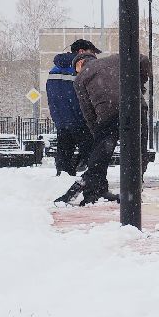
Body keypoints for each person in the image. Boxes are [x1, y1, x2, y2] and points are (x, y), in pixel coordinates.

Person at [67, 53, 152, 205]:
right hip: (135, 106)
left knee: (101, 155)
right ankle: (133, 188)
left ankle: (95, 189)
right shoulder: (117, 58)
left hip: (108, 112)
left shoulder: (80, 78)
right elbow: (144, 59)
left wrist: (97, 134)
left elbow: (87, 110)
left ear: (80, 63)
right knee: (138, 150)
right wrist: (138, 84)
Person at [49, 39, 100, 199]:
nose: (93, 56)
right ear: (81, 52)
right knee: (93, 156)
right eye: (91, 52)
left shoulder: (54, 70)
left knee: (64, 155)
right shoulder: (80, 69)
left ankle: (62, 184)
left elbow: (53, 98)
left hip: (62, 121)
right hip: (80, 120)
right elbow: (86, 96)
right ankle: (94, 184)